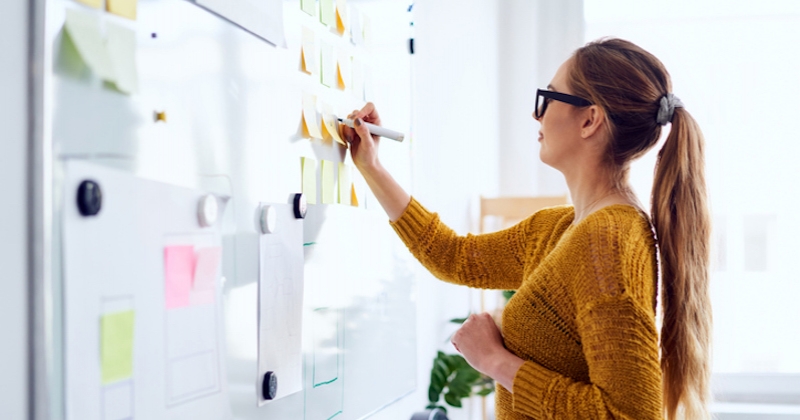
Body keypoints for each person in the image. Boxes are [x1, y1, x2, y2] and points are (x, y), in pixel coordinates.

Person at [340, 38, 711, 420]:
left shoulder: (608, 242)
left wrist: (496, 361)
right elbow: (454, 257)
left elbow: (629, 416)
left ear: (590, 120)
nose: (538, 115)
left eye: (549, 97)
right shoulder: (562, 228)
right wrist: (372, 167)